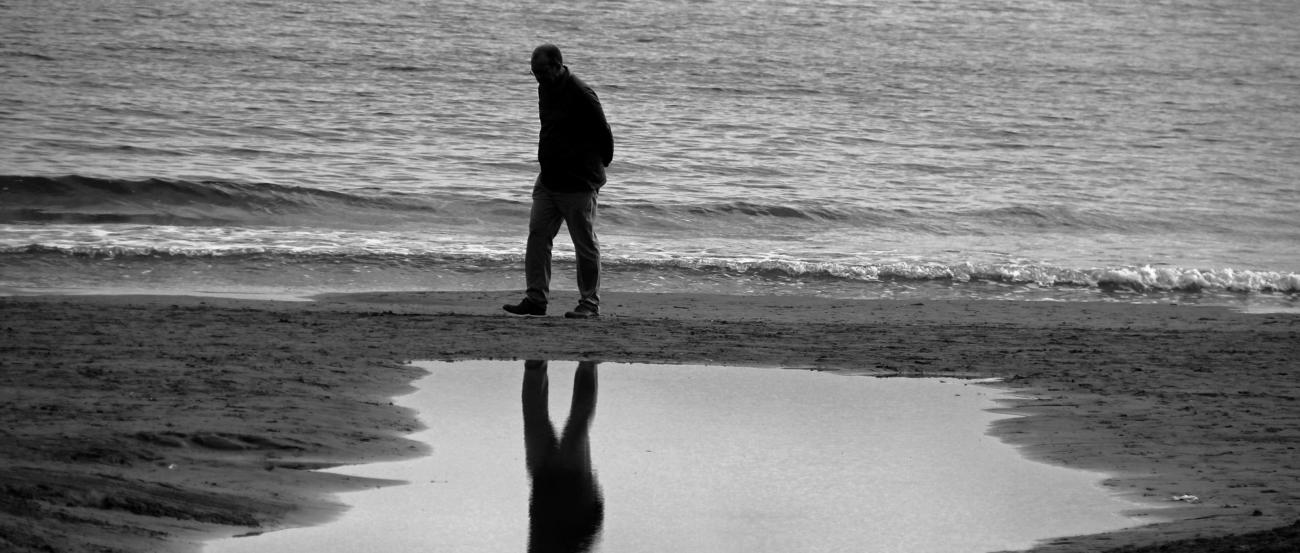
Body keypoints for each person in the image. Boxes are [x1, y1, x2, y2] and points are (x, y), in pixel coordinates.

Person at [504, 44, 614, 319]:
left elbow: (605, 136)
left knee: (584, 244)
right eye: (534, 73)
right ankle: (535, 299)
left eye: (542, 72)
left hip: (578, 183)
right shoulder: (545, 87)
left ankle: (589, 304)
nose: (538, 77)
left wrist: (593, 174)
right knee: (537, 237)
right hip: (549, 180)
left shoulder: (581, 93)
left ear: (557, 65)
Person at [522, 360, 604, 552]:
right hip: (570, 484)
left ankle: (538, 364)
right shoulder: (574, 546)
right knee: (572, 424)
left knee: (541, 419)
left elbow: (592, 525)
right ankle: (586, 364)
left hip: (545, 482)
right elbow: (590, 526)